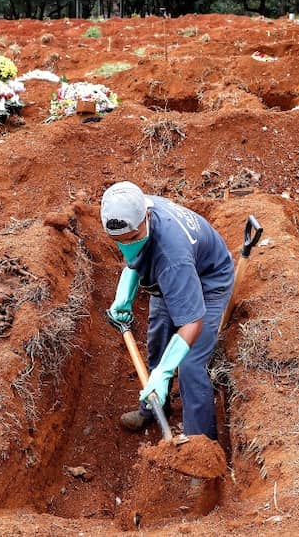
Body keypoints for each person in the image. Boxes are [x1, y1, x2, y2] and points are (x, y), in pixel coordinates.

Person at [101, 181, 234, 441]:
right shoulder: (132, 205)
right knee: (159, 338)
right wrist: (124, 295)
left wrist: (163, 372)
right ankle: (153, 406)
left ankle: (200, 443)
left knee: (190, 363)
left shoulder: (173, 258)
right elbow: (135, 257)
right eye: (119, 241)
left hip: (209, 280)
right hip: (170, 275)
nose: (127, 245)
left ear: (147, 218)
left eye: (132, 238)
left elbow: (192, 322)